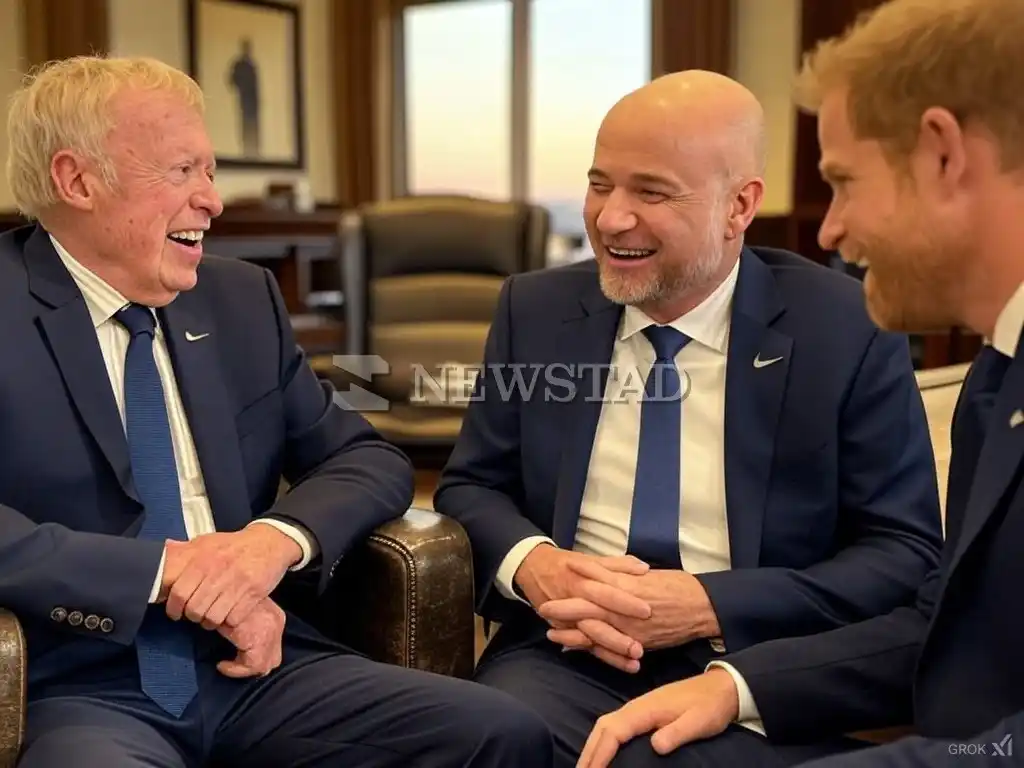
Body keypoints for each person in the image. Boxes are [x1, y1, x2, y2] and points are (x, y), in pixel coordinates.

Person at [0, 55, 553, 768]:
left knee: (499, 734)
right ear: (77, 181)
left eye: (210, 170)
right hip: (85, 682)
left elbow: (366, 458)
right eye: (182, 173)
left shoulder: (239, 299)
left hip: (262, 660)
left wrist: (270, 544)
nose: (213, 201)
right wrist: (167, 573)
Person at [433, 69, 943, 768]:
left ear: (739, 206)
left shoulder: (846, 327)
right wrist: (540, 567)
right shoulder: (536, 309)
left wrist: (708, 604)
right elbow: (470, 486)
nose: (610, 218)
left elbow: (902, 551)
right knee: (484, 740)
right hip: (566, 659)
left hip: (760, 664)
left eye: (651, 192)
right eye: (600, 183)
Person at [575, 1, 1024, 766]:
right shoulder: (999, 378)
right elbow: (946, 623)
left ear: (943, 154)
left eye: (844, 182)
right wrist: (738, 685)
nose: (828, 230)